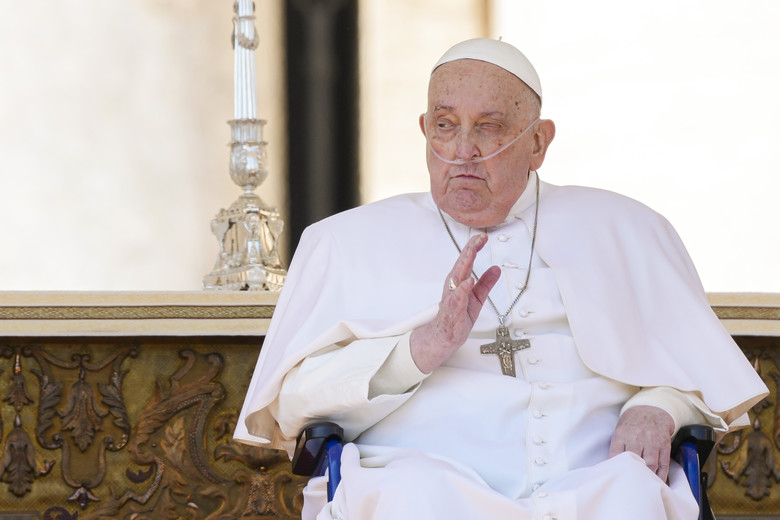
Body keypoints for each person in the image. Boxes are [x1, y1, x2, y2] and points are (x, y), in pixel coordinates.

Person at [234, 38, 768, 519]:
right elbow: (291, 406)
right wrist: (418, 349)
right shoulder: (343, 241)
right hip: (421, 480)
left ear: (538, 142)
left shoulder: (628, 229)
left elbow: (701, 372)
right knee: (412, 497)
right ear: (424, 130)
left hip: (596, 483)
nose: (463, 151)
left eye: (488, 127)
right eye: (445, 126)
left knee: (632, 495)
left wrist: (659, 406)